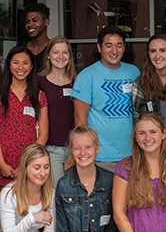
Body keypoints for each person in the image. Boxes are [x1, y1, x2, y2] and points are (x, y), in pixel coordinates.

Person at [72, 25, 140, 173]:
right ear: (99, 47)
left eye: (119, 45)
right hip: (100, 155)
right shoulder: (87, 75)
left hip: (131, 154)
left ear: (124, 48)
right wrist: (87, 151)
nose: (114, 51)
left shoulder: (134, 72)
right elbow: (79, 116)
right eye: (109, 45)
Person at [0, 46, 48, 188]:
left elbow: (44, 135)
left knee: (28, 208)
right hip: (3, 165)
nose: (20, 67)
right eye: (16, 62)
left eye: (25, 62)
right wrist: (2, 164)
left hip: (30, 166)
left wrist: (27, 163)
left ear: (32, 66)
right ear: (9, 64)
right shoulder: (1, 95)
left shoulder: (39, 96)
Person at [37, 36, 77, 187]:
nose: (61, 57)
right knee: (58, 192)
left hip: (75, 149)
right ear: (48, 55)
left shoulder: (77, 80)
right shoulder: (39, 82)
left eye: (65, 53)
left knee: (74, 194)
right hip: (51, 148)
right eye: (56, 52)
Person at [132, 34, 166, 126]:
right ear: (148, 54)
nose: (157, 56)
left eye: (162, 50)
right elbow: (141, 121)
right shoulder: (140, 83)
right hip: (153, 137)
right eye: (153, 51)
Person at [24, 2, 50, 71]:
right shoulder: (21, 50)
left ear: (46, 22)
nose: (30, 24)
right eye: (27, 21)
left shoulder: (53, 49)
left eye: (35, 20)